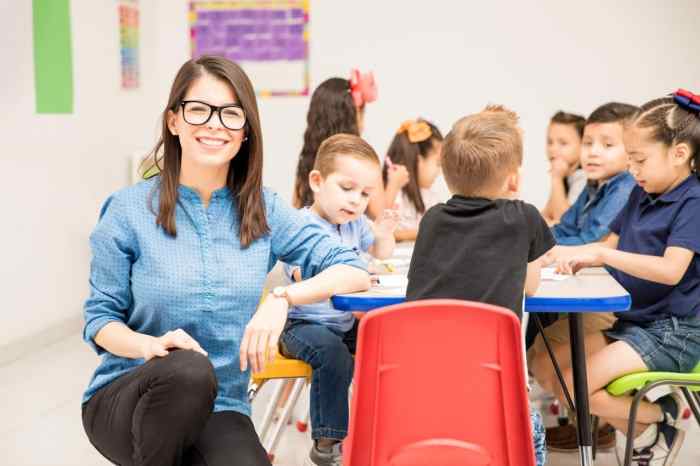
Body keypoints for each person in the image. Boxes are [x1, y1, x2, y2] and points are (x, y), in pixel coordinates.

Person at [80, 56, 371, 466]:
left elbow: (354, 271)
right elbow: (100, 321)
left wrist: (282, 298)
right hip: (129, 396)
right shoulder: (128, 210)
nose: (215, 124)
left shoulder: (263, 209)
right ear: (174, 121)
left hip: (222, 405)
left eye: (231, 114)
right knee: (189, 370)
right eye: (199, 109)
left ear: (246, 132)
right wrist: (149, 345)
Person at [556, 89, 700, 465]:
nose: (632, 170)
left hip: (675, 330)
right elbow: (602, 249)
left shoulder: (693, 201)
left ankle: (661, 417)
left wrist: (602, 254)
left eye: (639, 160)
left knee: (575, 385)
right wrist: (543, 254)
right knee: (562, 373)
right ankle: (652, 432)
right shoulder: (643, 191)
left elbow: (671, 270)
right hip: (638, 320)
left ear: (680, 154)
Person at [406, 105, 555, 466]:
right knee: (532, 428)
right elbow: (532, 288)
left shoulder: (432, 220)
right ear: (513, 179)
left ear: (445, 173)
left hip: (424, 383)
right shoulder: (524, 217)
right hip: (497, 385)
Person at [280, 133, 398, 466]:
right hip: (303, 324)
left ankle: (387, 430)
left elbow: (380, 253)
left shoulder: (356, 223)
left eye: (364, 194)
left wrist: (384, 235)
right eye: (347, 189)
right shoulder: (300, 227)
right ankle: (328, 442)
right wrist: (352, 276)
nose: (356, 200)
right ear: (316, 181)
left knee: (387, 342)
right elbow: (306, 278)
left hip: (343, 322)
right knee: (333, 356)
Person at [528, 102, 639, 452]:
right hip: (592, 287)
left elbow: (590, 241)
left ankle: (614, 423)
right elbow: (564, 229)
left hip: (618, 307)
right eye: (588, 143)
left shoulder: (624, 188)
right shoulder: (594, 186)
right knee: (538, 352)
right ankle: (594, 426)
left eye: (607, 145)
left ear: (632, 150)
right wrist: (537, 241)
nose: (592, 152)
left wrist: (543, 247)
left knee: (548, 360)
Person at [291, 70, 410, 219]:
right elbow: (379, 215)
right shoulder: (360, 161)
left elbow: (296, 208)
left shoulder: (307, 159)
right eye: (362, 114)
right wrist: (394, 183)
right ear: (352, 117)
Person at [383, 119, 444, 241]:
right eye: (438, 163)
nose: (440, 171)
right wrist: (393, 187)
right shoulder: (391, 193)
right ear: (418, 161)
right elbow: (381, 229)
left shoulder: (431, 198)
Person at [541, 111, 587, 225]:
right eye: (550, 142)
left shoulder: (583, 176)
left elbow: (565, 221)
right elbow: (547, 214)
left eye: (563, 143)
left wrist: (556, 178)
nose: (553, 149)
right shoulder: (565, 174)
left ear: (583, 144)